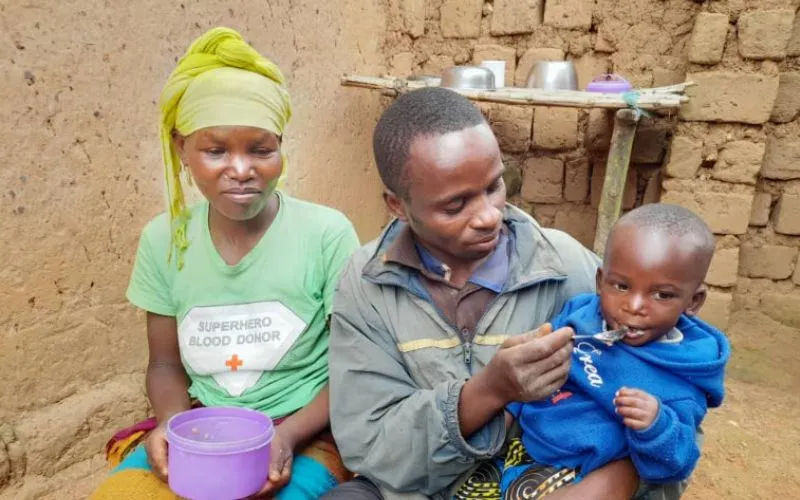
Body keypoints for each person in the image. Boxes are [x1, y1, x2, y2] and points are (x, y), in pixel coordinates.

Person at [323, 87, 698, 500]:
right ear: (397, 205)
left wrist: (617, 480)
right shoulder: (367, 282)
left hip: (551, 482)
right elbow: (371, 447)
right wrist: (488, 392)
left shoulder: (565, 265)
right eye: (455, 206)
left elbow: (675, 402)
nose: (488, 216)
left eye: (494, 186)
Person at [90, 27, 360, 500]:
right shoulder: (164, 240)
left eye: (261, 149)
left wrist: (289, 436)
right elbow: (165, 364)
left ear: (281, 145)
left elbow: (355, 367)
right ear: (181, 148)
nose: (240, 169)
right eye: (215, 151)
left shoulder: (326, 234)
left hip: (309, 429)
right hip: (206, 428)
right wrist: (176, 430)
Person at [501, 204, 730, 497]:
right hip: (523, 450)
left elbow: (676, 464)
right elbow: (534, 370)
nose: (634, 307)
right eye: (621, 286)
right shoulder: (580, 316)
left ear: (693, 302)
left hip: (585, 476)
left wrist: (656, 425)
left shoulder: (683, 375)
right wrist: (507, 410)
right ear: (600, 281)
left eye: (662, 295)